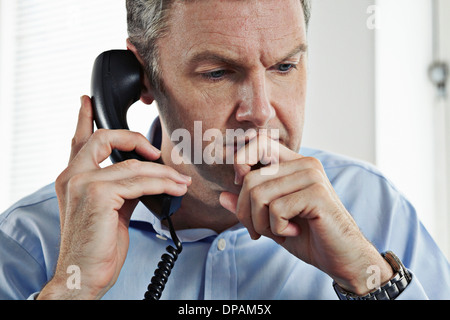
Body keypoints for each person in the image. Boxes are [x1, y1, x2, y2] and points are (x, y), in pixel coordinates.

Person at [0, 0, 449, 300]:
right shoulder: (30, 240)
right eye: (217, 72)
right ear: (142, 79)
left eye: (285, 66)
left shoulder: (378, 210)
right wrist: (69, 291)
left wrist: (370, 280)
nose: (260, 111)